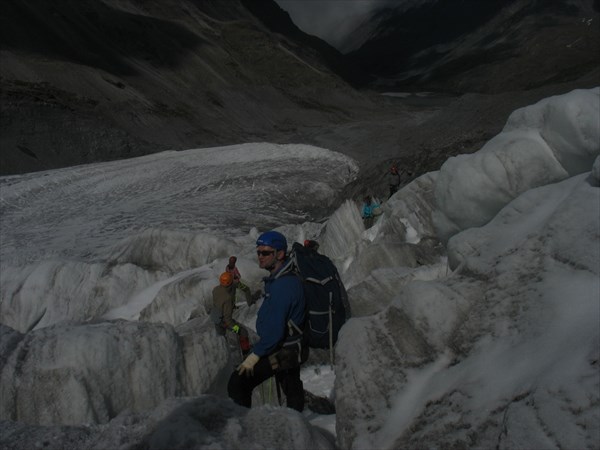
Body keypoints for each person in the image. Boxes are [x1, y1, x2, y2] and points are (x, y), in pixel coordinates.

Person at [227, 230, 306, 412]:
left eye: (265, 253)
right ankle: (297, 422)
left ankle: (244, 427)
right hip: (290, 347)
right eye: (258, 252)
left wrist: (254, 356)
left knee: (238, 382)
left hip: (284, 350)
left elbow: (275, 333)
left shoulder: (283, 286)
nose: (260, 257)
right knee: (290, 385)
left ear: (279, 254)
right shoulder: (280, 279)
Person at [211, 272, 251, 354]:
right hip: (224, 321)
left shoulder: (215, 289)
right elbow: (228, 320)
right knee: (243, 332)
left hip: (215, 317)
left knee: (222, 338)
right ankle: (246, 352)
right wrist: (238, 329)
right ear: (230, 282)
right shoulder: (227, 298)